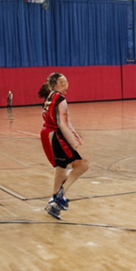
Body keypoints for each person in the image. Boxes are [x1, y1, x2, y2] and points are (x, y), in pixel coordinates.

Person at [39, 73, 89, 219]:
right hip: (56, 135)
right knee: (82, 165)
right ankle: (59, 196)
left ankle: (53, 202)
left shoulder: (50, 96)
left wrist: (75, 133)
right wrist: (72, 141)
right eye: (64, 82)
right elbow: (62, 124)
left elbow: (64, 120)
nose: (67, 84)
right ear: (58, 84)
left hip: (47, 134)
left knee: (61, 167)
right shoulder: (60, 99)